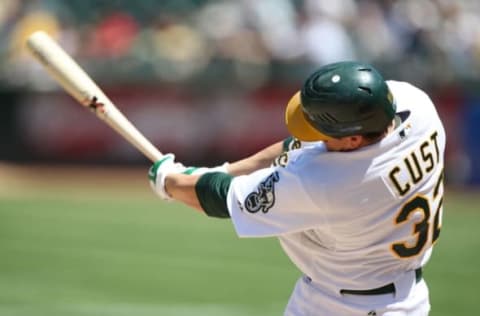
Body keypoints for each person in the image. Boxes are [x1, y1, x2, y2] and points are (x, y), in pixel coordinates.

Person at [148, 61, 445, 315]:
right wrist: (224, 170)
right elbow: (299, 147)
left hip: (345, 306)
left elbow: (218, 198)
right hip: (409, 298)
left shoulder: (325, 184)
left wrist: (168, 181)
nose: (318, 138)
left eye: (325, 132)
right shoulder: (418, 107)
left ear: (354, 139)